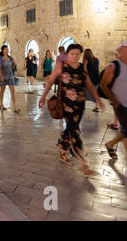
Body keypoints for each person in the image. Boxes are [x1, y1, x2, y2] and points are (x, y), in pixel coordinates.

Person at [39, 44, 104, 175]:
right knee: (75, 131)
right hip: (66, 105)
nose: (75, 57)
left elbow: (90, 85)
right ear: (67, 54)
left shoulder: (81, 68)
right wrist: (43, 97)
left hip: (80, 105)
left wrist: (98, 99)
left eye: (77, 54)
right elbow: (51, 81)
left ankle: (62, 150)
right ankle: (83, 164)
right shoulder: (61, 66)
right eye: (72, 54)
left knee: (70, 128)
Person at [100, 41, 127, 160]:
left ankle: (110, 144)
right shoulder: (114, 66)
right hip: (121, 104)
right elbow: (103, 84)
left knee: (126, 130)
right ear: (121, 51)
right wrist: (115, 101)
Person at [0, 45, 20, 112]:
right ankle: (1, 104)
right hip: (3, 76)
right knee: (2, 90)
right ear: (2, 50)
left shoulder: (10, 58)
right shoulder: (0, 58)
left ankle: (15, 107)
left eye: (8, 49)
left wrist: (14, 63)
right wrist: (1, 76)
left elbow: (12, 67)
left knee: (13, 91)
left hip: (10, 75)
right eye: (6, 49)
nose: (7, 50)